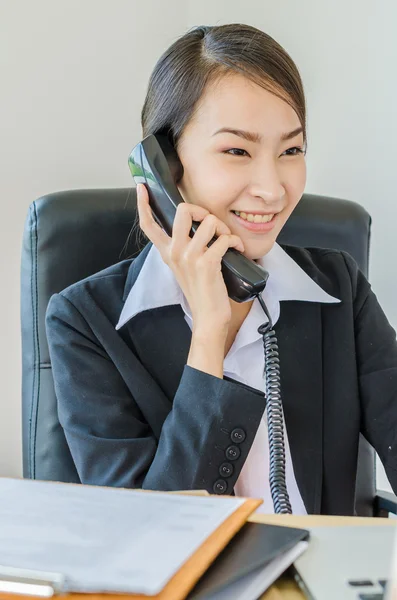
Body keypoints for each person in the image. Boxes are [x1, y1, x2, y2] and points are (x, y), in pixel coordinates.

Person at [45, 23, 397, 515]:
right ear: (164, 166)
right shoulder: (86, 321)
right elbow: (147, 535)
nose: (272, 189)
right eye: (237, 151)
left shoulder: (338, 290)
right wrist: (210, 333)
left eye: (291, 150)